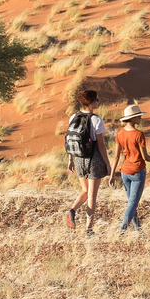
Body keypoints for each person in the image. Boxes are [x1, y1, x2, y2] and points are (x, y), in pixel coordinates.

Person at [109, 103, 150, 232]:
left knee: (131, 203)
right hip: (137, 171)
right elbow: (145, 156)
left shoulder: (120, 133)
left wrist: (111, 176)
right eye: (138, 116)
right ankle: (123, 229)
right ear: (132, 118)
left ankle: (139, 230)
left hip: (124, 171)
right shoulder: (139, 134)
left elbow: (116, 157)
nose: (140, 118)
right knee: (133, 203)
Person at [64, 89, 108, 234]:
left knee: (85, 190)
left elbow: (70, 139)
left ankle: (72, 210)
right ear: (90, 102)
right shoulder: (96, 120)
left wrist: (70, 159)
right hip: (93, 159)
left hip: (78, 159)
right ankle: (89, 229)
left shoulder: (73, 117)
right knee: (92, 196)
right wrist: (108, 164)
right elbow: (101, 146)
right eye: (96, 99)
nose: (99, 101)